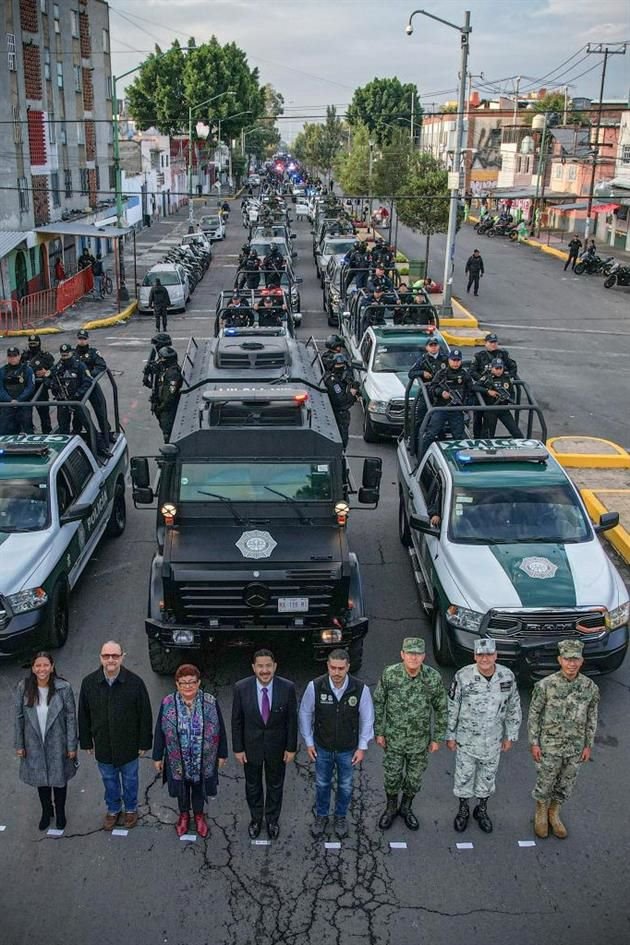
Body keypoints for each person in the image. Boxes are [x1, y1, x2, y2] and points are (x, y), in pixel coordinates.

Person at [446, 638, 521, 834]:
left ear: (496, 655)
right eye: (480, 655)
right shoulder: (463, 676)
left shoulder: (507, 677)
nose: (485, 659)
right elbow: (453, 707)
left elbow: (513, 707)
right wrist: (450, 735)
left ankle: (481, 809)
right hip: (467, 740)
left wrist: (510, 735)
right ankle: (463, 810)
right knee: (464, 776)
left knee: (487, 777)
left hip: (493, 740)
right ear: (475, 656)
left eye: (489, 655)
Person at [373, 638, 447, 831]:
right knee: (392, 776)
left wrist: (437, 737)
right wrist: (379, 732)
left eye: (417, 654)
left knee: (414, 779)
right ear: (402, 654)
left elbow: (441, 708)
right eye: (410, 653)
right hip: (394, 739)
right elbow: (379, 702)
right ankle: (390, 808)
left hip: (419, 742)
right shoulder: (390, 674)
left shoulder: (432, 678)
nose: (413, 658)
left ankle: (406, 808)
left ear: (423, 656)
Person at [528, 639, 599, 840]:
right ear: (560, 660)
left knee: (566, 782)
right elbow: (534, 714)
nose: (571, 664)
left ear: (581, 661)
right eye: (567, 659)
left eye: (575, 659)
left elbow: (592, 717)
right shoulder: (546, 685)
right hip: (550, 745)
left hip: (575, 747)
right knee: (546, 780)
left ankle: (554, 812)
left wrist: (588, 745)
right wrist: (533, 742)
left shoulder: (589, 687)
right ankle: (541, 812)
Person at [299, 648, 374, 839]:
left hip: (348, 750)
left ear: (348, 667)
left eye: (341, 668)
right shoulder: (315, 686)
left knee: (346, 786)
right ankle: (322, 817)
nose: (337, 673)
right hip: (322, 747)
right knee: (322, 784)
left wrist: (362, 746)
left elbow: (367, 718)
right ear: (328, 666)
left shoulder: (360, 689)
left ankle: (340, 817)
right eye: (333, 668)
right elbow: (305, 713)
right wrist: (308, 742)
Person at [78, 640, 153, 831]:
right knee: (109, 780)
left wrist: (145, 742)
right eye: (106, 656)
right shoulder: (89, 683)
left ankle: (130, 809)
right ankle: (113, 810)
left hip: (129, 745)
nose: (110, 659)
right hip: (103, 745)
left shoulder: (135, 683)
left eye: (115, 656)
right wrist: (86, 741)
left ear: (122, 657)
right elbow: (83, 714)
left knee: (130, 780)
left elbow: (145, 714)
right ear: (100, 658)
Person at [153, 664, 228, 839]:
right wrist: (157, 756)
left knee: (199, 787)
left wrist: (222, 753)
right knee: (182, 787)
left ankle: (199, 815)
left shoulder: (209, 702)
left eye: (192, 682)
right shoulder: (167, 702)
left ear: (199, 682)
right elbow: (159, 730)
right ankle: (184, 815)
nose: (188, 686)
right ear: (177, 684)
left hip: (203, 758)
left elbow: (220, 729)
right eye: (184, 683)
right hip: (177, 758)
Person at [231, 649, 298, 840]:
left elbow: (292, 720)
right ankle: (256, 819)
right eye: (260, 666)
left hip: (277, 748)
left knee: (275, 785)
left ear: (275, 666)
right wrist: (238, 748)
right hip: (251, 748)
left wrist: (291, 747)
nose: (264, 670)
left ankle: (272, 820)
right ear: (254, 668)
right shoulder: (241, 688)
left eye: (268, 666)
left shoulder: (287, 687)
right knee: (253, 786)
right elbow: (236, 720)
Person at [14, 652, 78, 831]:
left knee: (59, 780)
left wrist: (72, 745)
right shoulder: (24, 688)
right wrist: (19, 744)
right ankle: (46, 811)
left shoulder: (63, 688)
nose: (42, 669)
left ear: (52, 666)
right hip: (34, 743)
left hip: (58, 743)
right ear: (33, 668)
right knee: (41, 781)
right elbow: (19, 717)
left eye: (45, 665)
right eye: (38, 666)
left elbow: (71, 718)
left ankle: (60, 812)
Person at [420, 350, 473, 456]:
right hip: (441, 408)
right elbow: (432, 388)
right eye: (453, 360)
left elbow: (470, 390)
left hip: (456, 409)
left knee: (459, 436)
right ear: (449, 360)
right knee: (431, 434)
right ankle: (421, 459)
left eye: (458, 360)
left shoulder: (464, 375)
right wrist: (441, 392)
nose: (455, 363)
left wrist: (466, 404)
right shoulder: (442, 373)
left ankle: (459, 458)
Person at [74, 329, 110, 451]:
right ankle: (78, 438)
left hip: (91, 384)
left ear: (87, 339)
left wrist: (90, 375)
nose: (82, 341)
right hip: (79, 386)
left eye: (84, 339)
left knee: (101, 411)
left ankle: (106, 436)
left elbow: (101, 365)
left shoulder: (93, 352)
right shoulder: (73, 354)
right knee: (78, 414)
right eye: (80, 339)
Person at [44, 344, 91, 435]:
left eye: (66, 355)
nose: (64, 358)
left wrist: (78, 394)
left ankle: (99, 445)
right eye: (62, 355)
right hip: (63, 401)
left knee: (86, 425)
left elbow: (88, 381)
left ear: (71, 353)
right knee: (63, 427)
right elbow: (46, 377)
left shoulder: (79, 365)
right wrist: (53, 384)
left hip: (77, 401)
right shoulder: (58, 366)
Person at [473, 359, 522, 438]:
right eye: (496, 368)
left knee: (516, 432)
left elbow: (512, 393)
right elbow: (474, 387)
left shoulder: (506, 378)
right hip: (491, 410)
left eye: (500, 368)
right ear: (492, 368)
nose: (499, 370)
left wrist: (509, 398)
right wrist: (488, 391)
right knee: (488, 436)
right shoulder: (487, 378)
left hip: (504, 409)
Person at [323, 354, 358, 449]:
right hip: (339, 414)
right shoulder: (333, 381)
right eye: (339, 365)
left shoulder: (334, 377)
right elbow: (342, 401)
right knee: (342, 442)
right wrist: (352, 393)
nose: (342, 368)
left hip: (338, 413)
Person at [23, 335, 54, 434]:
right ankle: (29, 435)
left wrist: (47, 372)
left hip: (40, 389)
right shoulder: (24, 356)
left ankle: (47, 435)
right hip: (27, 389)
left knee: (44, 416)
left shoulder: (46, 356)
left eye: (35, 344)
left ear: (39, 344)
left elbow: (54, 370)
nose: (33, 346)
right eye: (31, 344)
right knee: (26, 416)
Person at [0, 345, 35, 435]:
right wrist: (10, 400)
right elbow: (0, 389)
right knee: (5, 432)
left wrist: (19, 400)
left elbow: (30, 387)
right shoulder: (2, 371)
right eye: (10, 356)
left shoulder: (27, 370)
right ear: (7, 357)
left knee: (27, 432)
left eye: (15, 356)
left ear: (19, 356)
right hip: (7, 406)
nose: (12, 359)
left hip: (23, 405)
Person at [154, 346, 182, 443]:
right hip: (163, 406)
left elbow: (170, 394)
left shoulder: (173, 374)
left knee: (168, 433)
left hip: (168, 409)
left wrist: (161, 407)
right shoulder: (166, 370)